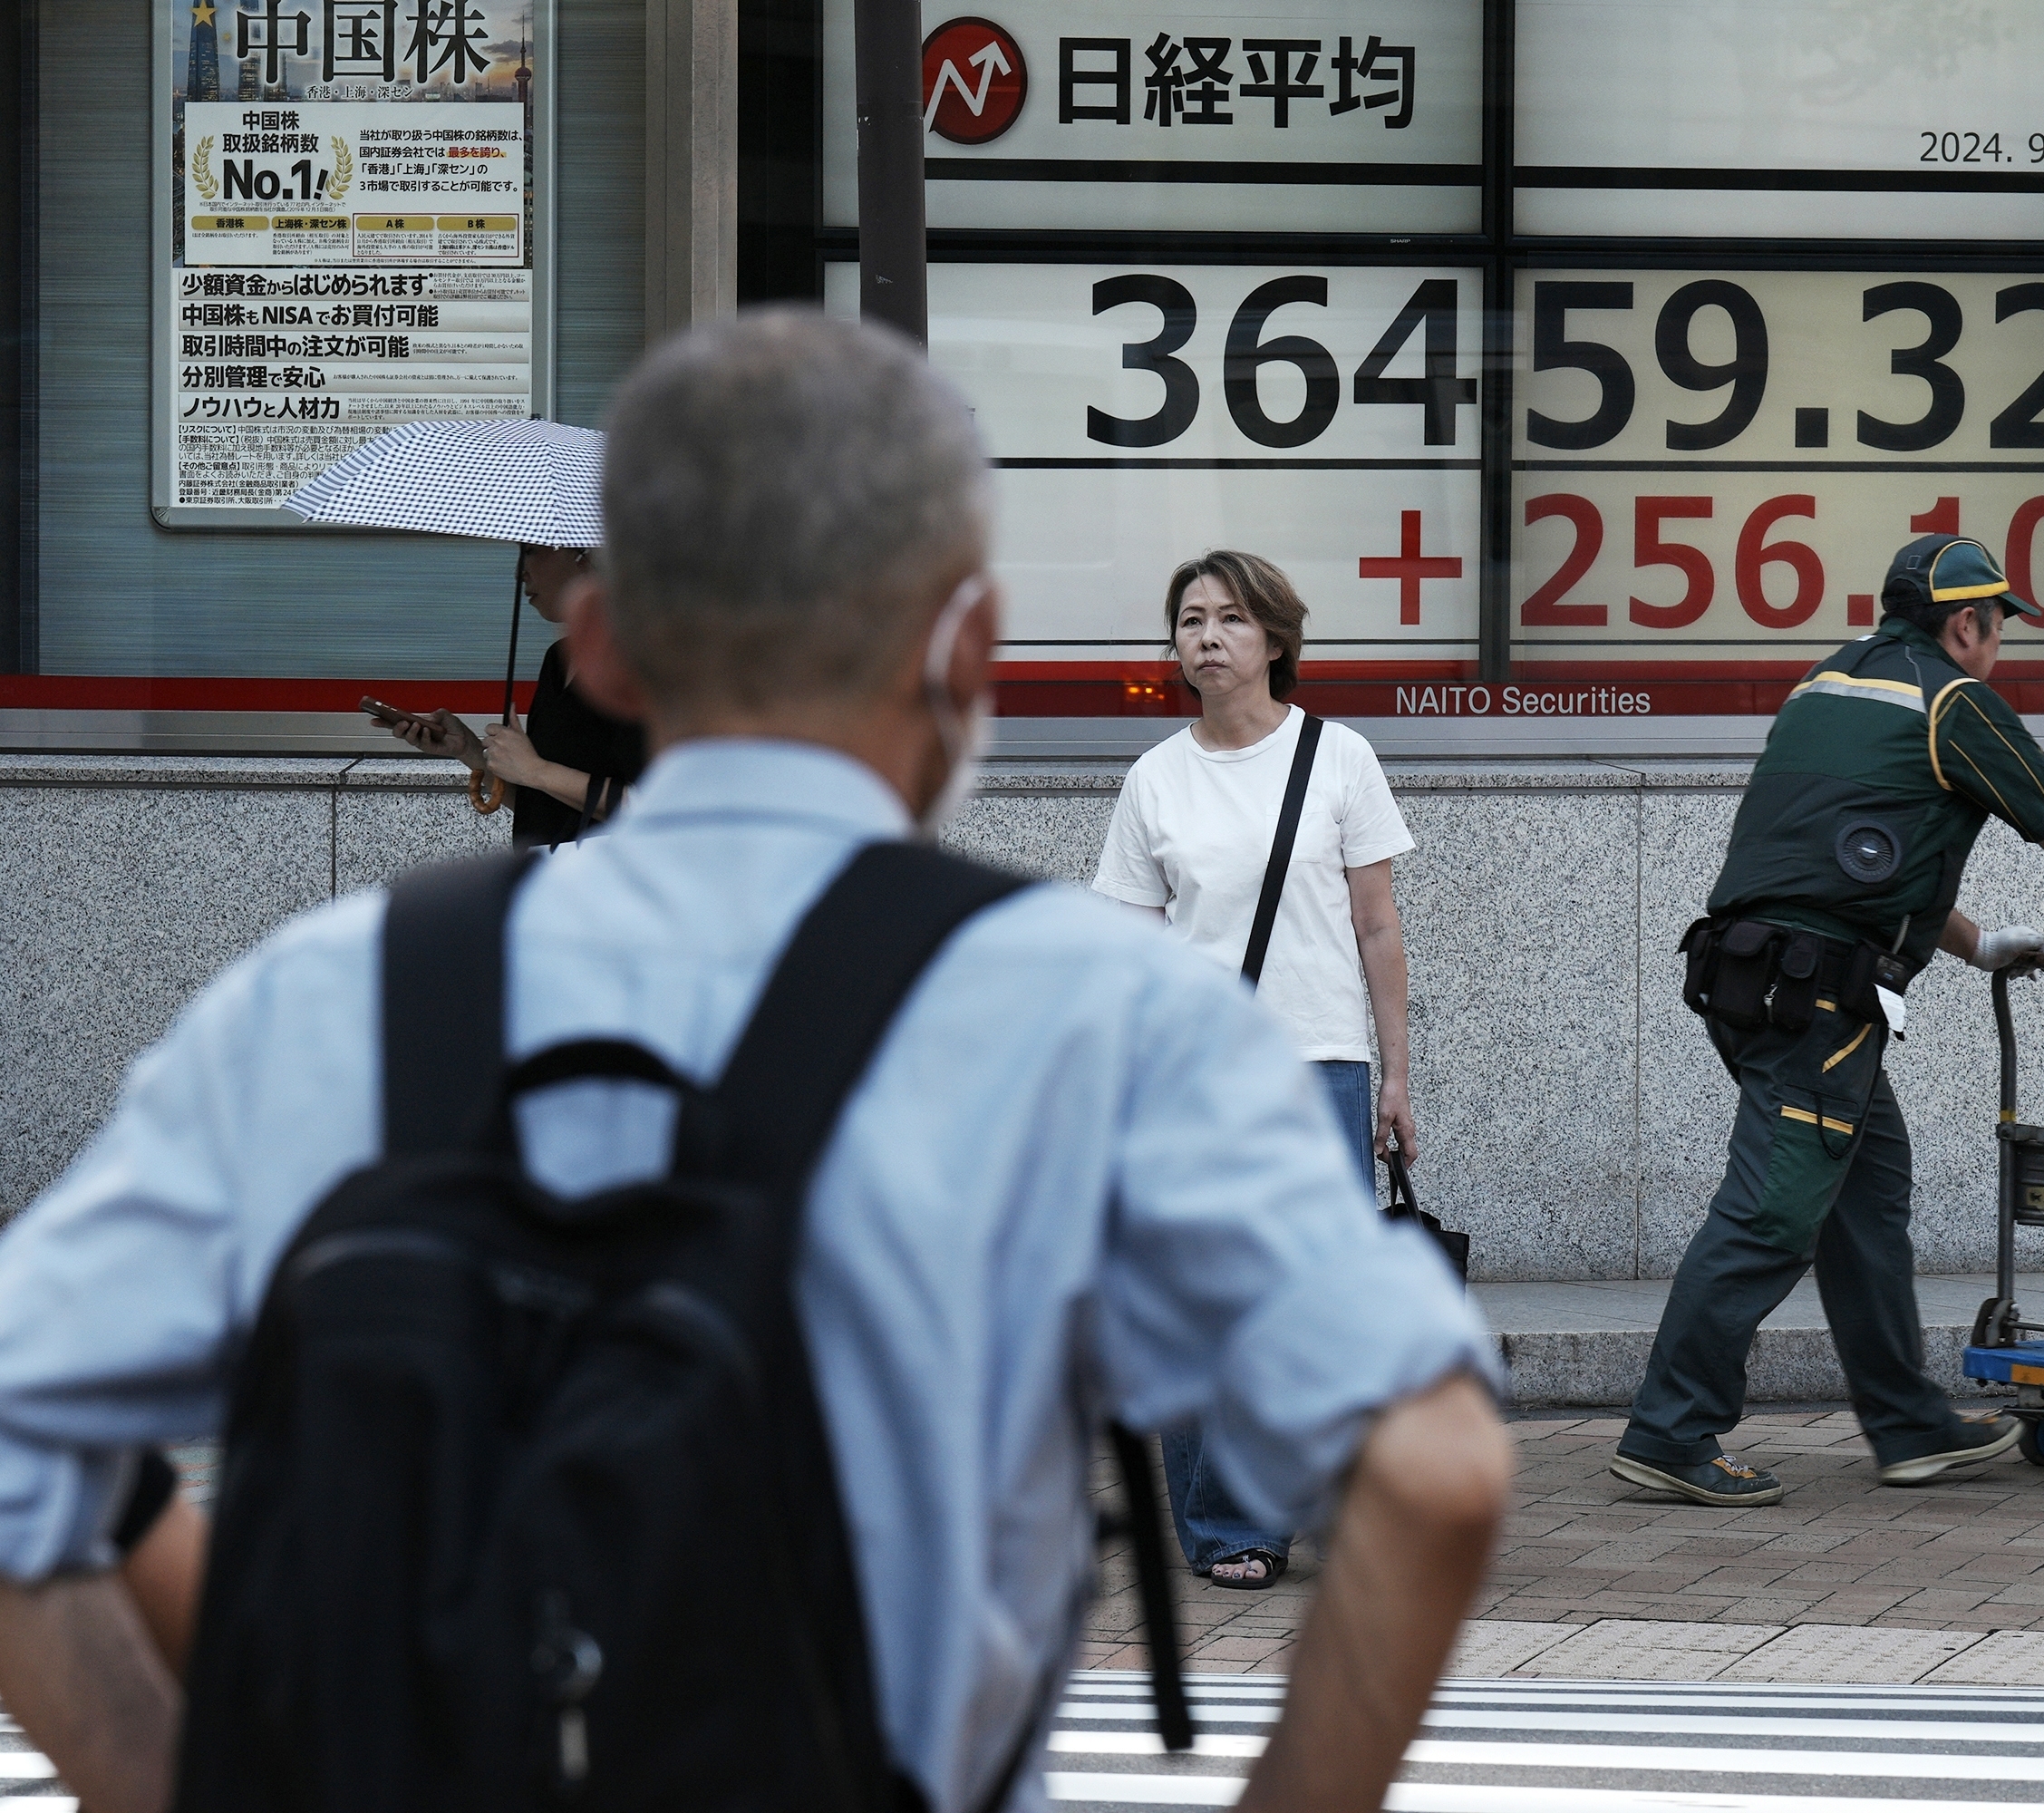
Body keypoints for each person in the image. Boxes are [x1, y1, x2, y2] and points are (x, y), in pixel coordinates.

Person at [0, 310, 1509, 1813]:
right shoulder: (1098, 1018)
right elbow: (1435, 1467)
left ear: (601, 643)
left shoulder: (332, 999)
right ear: (969, 645)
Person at [1614, 533, 2044, 1506]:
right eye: (2001, 623)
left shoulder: (1827, 684)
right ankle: (1672, 1428)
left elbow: (1846, 852)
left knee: (1868, 1190)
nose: (2003, 641)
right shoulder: (1954, 700)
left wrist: (1976, 944)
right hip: (1820, 1003)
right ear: (1965, 621)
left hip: (1750, 975)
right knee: (1770, 1215)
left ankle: (1908, 1424)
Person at [1092, 549, 1419, 1593]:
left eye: (1231, 618)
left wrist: (1397, 1078)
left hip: (1321, 1062)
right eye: (1190, 618)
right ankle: (1228, 1520)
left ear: (1275, 638)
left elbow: (1378, 929)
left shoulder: (1339, 758)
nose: (1207, 635)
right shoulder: (1155, 778)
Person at [373, 542, 651, 846]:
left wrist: (537, 771)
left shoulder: (640, 665)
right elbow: (546, 809)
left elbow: (655, 808)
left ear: (584, 556)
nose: (520, 573)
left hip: (607, 885)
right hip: (548, 878)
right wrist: (466, 749)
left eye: (530, 551)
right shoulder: (559, 659)